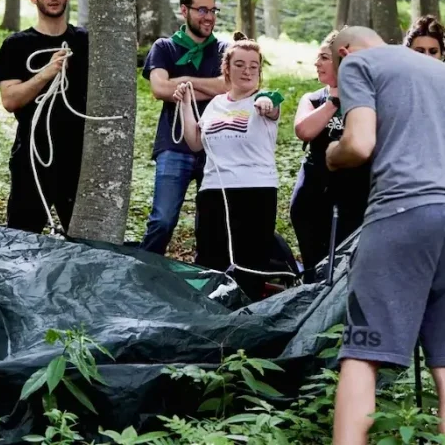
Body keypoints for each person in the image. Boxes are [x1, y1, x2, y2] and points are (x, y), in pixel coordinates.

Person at [325, 26, 445, 445]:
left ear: (343, 52)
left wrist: (332, 154)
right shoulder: (439, 71)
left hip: (402, 211)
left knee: (362, 354)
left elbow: (359, 144)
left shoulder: (361, 62)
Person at [173, 32, 283, 300]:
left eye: (253, 66)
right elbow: (196, 142)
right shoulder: (215, 104)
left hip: (255, 190)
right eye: (240, 64)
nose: (247, 71)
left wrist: (267, 103)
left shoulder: (265, 98)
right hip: (214, 190)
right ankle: (212, 314)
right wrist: (186, 104)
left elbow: (271, 105)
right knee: (212, 256)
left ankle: (248, 315)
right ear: (227, 69)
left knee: (251, 259)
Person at [0, 0, 88, 234]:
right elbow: (10, 100)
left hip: (80, 161)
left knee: (84, 245)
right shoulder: (16, 45)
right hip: (32, 158)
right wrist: (46, 73)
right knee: (22, 241)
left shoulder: (86, 42)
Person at [140, 0, 228, 255]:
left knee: (211, 225)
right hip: (173, 144)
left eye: (213, 10)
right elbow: (160, 89)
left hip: (214, 146)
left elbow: (228, 87)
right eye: (202, 9)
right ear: (184, 11)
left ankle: (207, 280)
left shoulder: (225, 49)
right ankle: (143, 272)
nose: (209, 17)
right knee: (163, 220)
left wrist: (185, 83)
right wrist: (207, 86)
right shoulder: (164, 47)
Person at [290, 30, 369, 282]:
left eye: (324, 57)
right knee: (314, 260)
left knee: (347, 259)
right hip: (313, 191)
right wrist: (333, 100)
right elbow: (304, 130)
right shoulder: (313, 98)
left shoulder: (365, 100)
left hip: (354, 191)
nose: (317, 63)